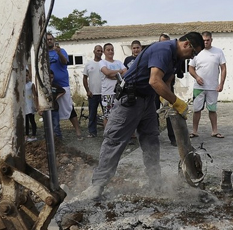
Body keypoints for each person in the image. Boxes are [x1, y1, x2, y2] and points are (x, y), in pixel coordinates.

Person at [79, 32, 204, 200]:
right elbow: (154, 81)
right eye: (194, 53)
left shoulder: (175, 57)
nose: (192, 57)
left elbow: (166, 79)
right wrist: (177, 102)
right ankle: (97, 186)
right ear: (186, 44)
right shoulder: (164, 49)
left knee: (151, 141)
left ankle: (155, 182)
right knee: (115, 141)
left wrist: (165, 98)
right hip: (130, 100)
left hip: (147, 101)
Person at [188, 31, 227, 139]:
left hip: (213, 87)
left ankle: (215, 131)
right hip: (198, 87)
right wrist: (196, 77)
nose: (206, 42)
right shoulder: (196, 52)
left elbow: (223, 68)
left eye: (207, 40)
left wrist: (221, 83)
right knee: (196, 110)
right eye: (204, 40)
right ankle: (194, 131)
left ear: (211, 40)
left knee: (212, 110)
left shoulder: (218, 52)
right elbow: (190, 68)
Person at [46, 33, 83, 140]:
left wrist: (59, 53)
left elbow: (65, 62)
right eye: (47, 39)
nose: (49, 41)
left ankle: (78, 131)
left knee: (69, 108)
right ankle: (55, 134)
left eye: (50, 39)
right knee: (52, 110)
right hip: (50, 86)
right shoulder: (43, 54)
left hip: (63, 85)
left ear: (53, 40)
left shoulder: (61, 51)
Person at [99, 43, 127, 126]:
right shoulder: (102, 62)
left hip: (119, 93)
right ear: (104, 52)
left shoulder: (118, 62)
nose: (110, 51)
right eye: (108, 50)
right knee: (107, 116)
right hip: (107, 93)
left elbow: (126, 72)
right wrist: (119, 72)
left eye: (112, 49)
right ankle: (108, 136)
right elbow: (106, 72)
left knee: (120, 114)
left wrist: (113, 75)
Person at [158, 33, 177, 146]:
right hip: (155, 89)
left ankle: (173, 138)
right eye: (162, 42)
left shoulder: (173, 57)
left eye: (167, 42)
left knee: (171, 113)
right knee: (153, 114)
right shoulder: (156, 56)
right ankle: (154, 138)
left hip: (168, 89)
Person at [82, 45, 103, 138]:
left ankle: (109, 132)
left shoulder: (104, 63)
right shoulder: (89, 64)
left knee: (107, 114)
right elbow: (84, 78)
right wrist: (87, 90)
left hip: (104, 93)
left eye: (101, 51)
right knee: (92, 114)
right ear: (94, 51)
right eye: (97, 50)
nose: (99, 52)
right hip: (93, 94)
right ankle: (92, 132)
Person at [24, 69, 38, 142]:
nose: (25, 77)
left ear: (28, 75)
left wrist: (36, 104)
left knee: (32, 120)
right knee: (25, 121)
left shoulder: (31, 84)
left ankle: (34, 134)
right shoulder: (20, 85)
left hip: (30, 104)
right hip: (24, 105)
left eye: (26, 75)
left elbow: (34, 95)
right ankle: (26, 134)